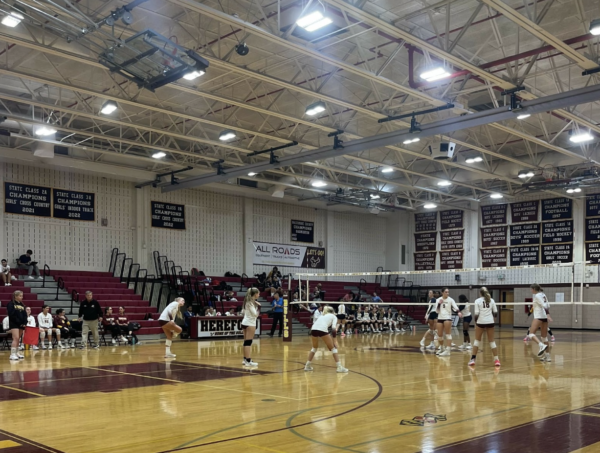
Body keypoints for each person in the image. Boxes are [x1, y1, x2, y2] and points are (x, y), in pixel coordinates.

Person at [304, 306, 348, 373]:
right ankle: (339, 367)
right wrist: (335, 341)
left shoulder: (322, 316)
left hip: (313, 329)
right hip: (322, 330)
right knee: (333, 349)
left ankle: (307, 366)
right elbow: (334, 329)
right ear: (333, 311)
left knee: (314, 348)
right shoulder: (334, 316)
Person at [469, 287, 500, 367]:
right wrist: (493, 320)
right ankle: (496, 360)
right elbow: (495, 312)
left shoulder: (477, 301)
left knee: (477, 340)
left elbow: (476, 314)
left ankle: (473, 359)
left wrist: (475, 323)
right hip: (490, 322)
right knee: (492, 341)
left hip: (481, 322)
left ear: (480, 293)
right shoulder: (492, 300)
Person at [435, 288, 462, 357]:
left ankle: (448, 350)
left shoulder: (451, 300)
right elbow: (437, 311)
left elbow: (455, 307)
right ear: (442, 293)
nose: (447, 293)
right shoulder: (438, 300)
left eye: (448, 292)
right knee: (440, 336)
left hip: (447, 318)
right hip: (440, 318)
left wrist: (458, 312)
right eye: (446, 292)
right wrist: (439, 304)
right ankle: (442, 348)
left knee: (448, 334)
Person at [526, 284, 550, 360]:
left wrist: (547, 312)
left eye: (531, 289)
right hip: (544, 317)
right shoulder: (543, 294)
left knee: (531, 334)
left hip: (539, 316)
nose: (530, 291)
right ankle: (548, 357)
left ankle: (541, 345)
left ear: (533, 289)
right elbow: (548, 305)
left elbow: (545, 306)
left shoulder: (537, 296)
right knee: (544, 338)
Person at [241, 288, 260, 367]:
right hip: (250, 323)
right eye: (258, 293)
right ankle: (248, 360)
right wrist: (259, 307)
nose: (259, 295)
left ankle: (245, 359)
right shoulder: (250, 303)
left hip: (245, 322)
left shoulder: (247, 301)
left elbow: (243, 312)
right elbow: (255, 314)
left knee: (246, 342)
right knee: (248, 342)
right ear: (255, 294)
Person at [7, 291, 27, 361]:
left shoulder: (22, 304)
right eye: (20, 296)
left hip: (21, 324)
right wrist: (18, 321)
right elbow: (11, 314)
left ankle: (17, 352)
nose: (22, 297)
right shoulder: (11, 304)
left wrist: (25, 322)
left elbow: (25, 315)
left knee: (19, 339)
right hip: (14, 323)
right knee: (16, 338)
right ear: (15, 296)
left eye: (22, 296)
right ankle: (12, 354)